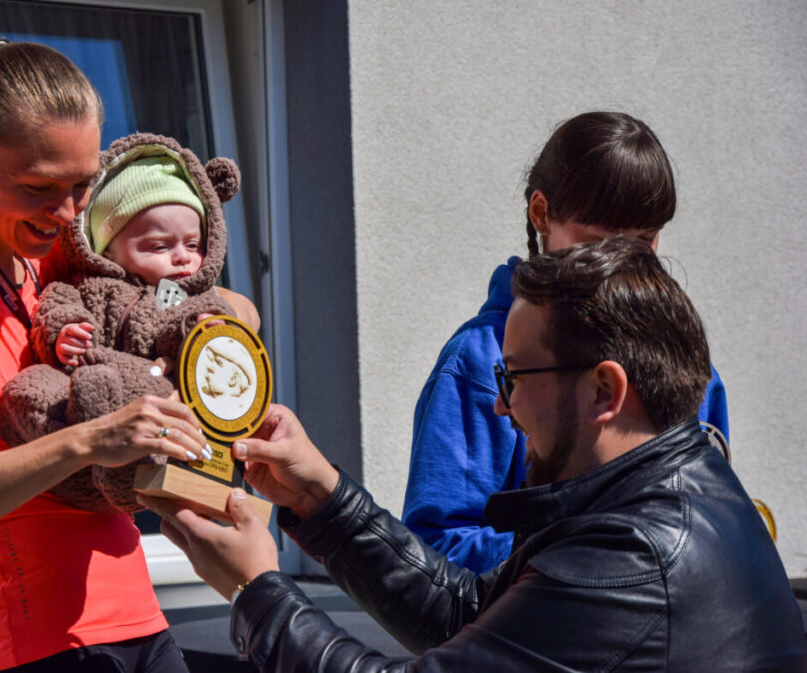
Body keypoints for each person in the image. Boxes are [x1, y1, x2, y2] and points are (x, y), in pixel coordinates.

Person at [142, 237, 807, 670]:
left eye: (513, 377)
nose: (499, 405)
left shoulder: (632, 560)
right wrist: (323, 499)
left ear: (605, 389)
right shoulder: (675, 489)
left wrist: (257, 590)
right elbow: (477, 615)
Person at [0, 37, 253, 671]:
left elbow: (220, 302)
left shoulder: (36, 250)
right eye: (40, 187)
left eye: (84, 185)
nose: (66, 214)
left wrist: (204, 336)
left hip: (135, 616)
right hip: (39, 645)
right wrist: (88, 439)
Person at [402, 111, 730, 572]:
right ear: (541, 213)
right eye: (600, 240)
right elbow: (435, 554)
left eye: (644, 241)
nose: (621, 262)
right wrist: (591, 556)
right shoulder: (479, 364)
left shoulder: (688, 367)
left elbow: (712, 526)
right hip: (528, 636)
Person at [0, 131, 245, 513]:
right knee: (29, 385)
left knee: (163, 402)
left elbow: (191, 323)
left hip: (151, 403)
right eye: (160, 246)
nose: (182, 258)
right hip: (79, 424)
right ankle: (94, 431)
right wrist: (63, 333)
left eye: (193, 245)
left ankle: (126, 472)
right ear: (107, 247)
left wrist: (202, 329)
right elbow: (55, 305)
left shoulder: (190, 297)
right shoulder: (87, 286)